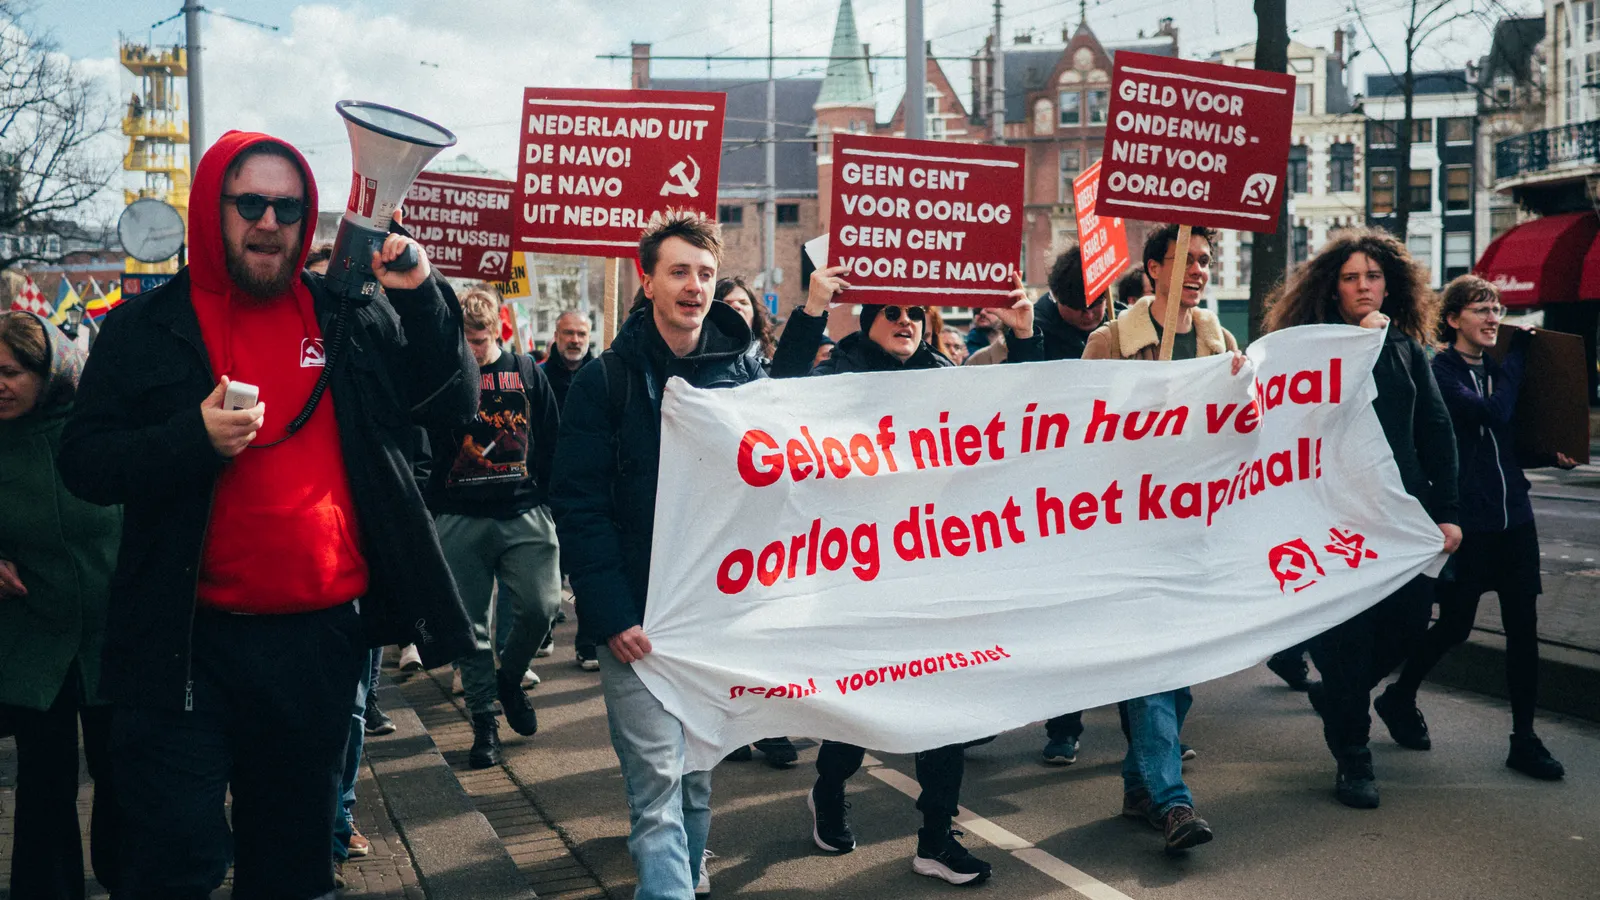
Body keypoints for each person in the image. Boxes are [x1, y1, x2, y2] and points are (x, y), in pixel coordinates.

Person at [58, 131, 477, 899]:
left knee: (290, 861)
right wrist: (191, 439)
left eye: (288, 206)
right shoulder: (142, 328)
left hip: (316, 644)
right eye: (249, 202)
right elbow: (84, 463)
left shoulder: (345, 312)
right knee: (171, 858)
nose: (269, 221)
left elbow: (447, 400)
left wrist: (421, 293)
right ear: (212, 210)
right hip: (183, 641)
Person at [775, 261, 1040, 885]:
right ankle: (830, 785)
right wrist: (811, 310)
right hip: (855, 572)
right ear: (869, 320)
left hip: (932, 569)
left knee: (940, 704)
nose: (904, 321)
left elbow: (1028, 413)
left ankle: (936, 837)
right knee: (864, 698)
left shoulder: (944, 379)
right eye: (891, 311)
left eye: (915, 313)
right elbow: (774, 394)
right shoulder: (834, 372)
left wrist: (1025, 337)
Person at [550, 211, 766, 899]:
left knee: (697, 780)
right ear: (647, 283)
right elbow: (579, 506)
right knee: (659, 792)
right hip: (637, 628)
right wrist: (611, 617)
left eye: (705, 273)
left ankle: (687, 881)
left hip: (714, 619)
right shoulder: (604, 381)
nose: (694, 286)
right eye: (678, 272)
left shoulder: (745, 373)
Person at [1263, 226, 1461, 809]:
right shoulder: (1307, 348)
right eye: (1351, 278)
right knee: (1343, 644)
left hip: (1397, 522)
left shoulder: (1402, 347)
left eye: (1373, 276)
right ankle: (1354, 757)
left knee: (1405, 627)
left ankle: (1342, 697)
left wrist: (1446, 511)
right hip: (1330, 524)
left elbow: (1436, 429)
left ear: (1390, 284)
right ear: (1333, 288)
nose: (1363, 287)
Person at [1083, 224, 1243, 853]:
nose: (1198, 271)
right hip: (1129, 530)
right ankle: (1174, 802)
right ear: (1153, 269)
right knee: (1152, 664)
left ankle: (1137, 785)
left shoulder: (1218, 339)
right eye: (1186, 260)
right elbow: (1079, 433)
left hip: (1192, 531)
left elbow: (1236, 435)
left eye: (1205, 260)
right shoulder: (1109, 344)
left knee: (1180, 673)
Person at [1377, 275, 1574, 779]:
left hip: (1516, 521)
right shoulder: (1442, 372)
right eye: (1481, 310)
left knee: (1524, 630)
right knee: (1456, 625)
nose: (1493, 319)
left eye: (1497, 309)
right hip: (1470, 524)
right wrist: (1518, 359)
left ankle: (1524, 740)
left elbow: (1505, 438)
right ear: (1452, 319)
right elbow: (1489, 414)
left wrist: (1549, 455)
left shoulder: (1495, 370)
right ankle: (1399, 695)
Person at [0, 311, 121, 900]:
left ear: (49, 372)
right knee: (44, 785)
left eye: (12, 371)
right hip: (31, 645)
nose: (0, 385)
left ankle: (132, 882)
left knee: (120, 775)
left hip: (110, 640)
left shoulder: (93, 431)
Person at [430, 286, 562, 768]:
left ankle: (511, 681)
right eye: (466, 341)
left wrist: (548, 501)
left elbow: (552, 435)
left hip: (523, 511)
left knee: (540, 607)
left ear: (499, 331)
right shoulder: (446, 376)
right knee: (471, 630)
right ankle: (483, 721)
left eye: (481, 341)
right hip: (461, 517)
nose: (474, 350)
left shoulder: (525, 373)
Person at [540, 309, 599, 670]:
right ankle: (542, 625)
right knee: (548, 568)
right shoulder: (541, 376)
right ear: (556, 336)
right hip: (547, 487)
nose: (575, 340)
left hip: (589, 487)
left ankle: (588, 642)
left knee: (587, 568)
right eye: (568, 333)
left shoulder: (601, 374)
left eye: (581, 333)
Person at [715, 275, 778, 367]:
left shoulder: (776, 357)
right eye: (727, 303)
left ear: (755, 313)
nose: (737, 306)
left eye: (743, 303)